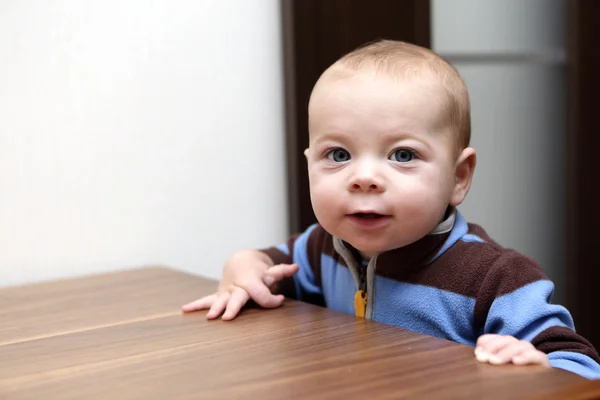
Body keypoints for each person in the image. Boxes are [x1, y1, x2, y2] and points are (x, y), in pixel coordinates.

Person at [182, 40, 600, 379]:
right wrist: (244, 265)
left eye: (401, 155)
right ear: (309, 163)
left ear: (458, 177)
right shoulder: (323, 248)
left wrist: (537, 367)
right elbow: (271, 269)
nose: (364, 177)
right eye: (339, 153)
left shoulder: (495, 279)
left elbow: (581, 368)